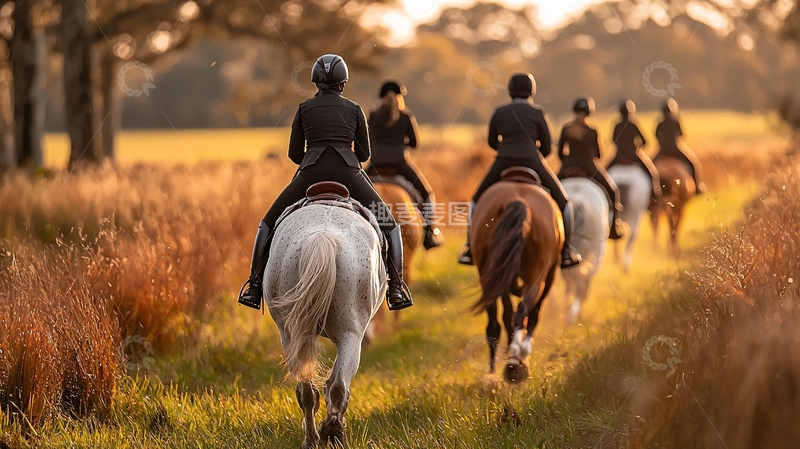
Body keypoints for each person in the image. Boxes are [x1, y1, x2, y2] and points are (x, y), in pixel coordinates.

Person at [237, 54, 413, 312]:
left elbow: (294, 154)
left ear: (316, 82)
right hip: (349, 174)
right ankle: (397, 287)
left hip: (310, 173)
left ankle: (253, 286)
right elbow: (364, 155)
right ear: (343, 83)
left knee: (268, 222)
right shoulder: (354, 109)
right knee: (390, 225)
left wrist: (312, 157)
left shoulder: (304, 109)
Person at [457, 73, 582, 268]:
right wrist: (531, 151)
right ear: (531, 90)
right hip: (533, 160)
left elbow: (491, 142)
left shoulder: (500, 111)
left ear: (510, 90)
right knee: (564, 202)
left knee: (475, 201)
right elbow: (548, 148)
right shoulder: (538, 113)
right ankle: (567, 250)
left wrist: (506, 149)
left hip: (503, 160)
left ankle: (470, 248)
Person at [364, 80, 443, 250]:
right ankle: (430, 233)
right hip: (399, 162)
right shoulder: (406, 116)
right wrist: (399, 142)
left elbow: (368, 142)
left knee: (353, 191)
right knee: (426, 193)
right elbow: (414, 143)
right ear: (400, 97)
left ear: (381, 97)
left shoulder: (373, 115)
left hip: (376, 163)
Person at [556, 97, 624, 240]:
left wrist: (567, 163)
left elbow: (560, 153)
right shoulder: (592, 131)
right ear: (589, 113)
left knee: (550, 189)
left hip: (568, 164)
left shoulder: (566, 128)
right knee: (613, 191)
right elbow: (598, 155)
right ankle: (613, 228)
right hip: (588, 165)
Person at [608, 100, 662, 200]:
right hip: (634, 154)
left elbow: (613, 140)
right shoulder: (633, 125)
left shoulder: (617, 125)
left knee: (605, 173)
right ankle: (656, 194)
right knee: (652, 173)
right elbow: (645, 141)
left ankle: (605, 192)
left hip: (619, 155)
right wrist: (638, 147)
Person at [654, 98, 706, 194]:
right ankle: (698, 187)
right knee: (694, 164)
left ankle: (652, 188)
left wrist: (662, 143)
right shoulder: (675, 121)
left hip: (662, 150)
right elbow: (681, 134)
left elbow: (656, 135)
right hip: (675, 149)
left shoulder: (660, 123)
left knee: (650, 166)